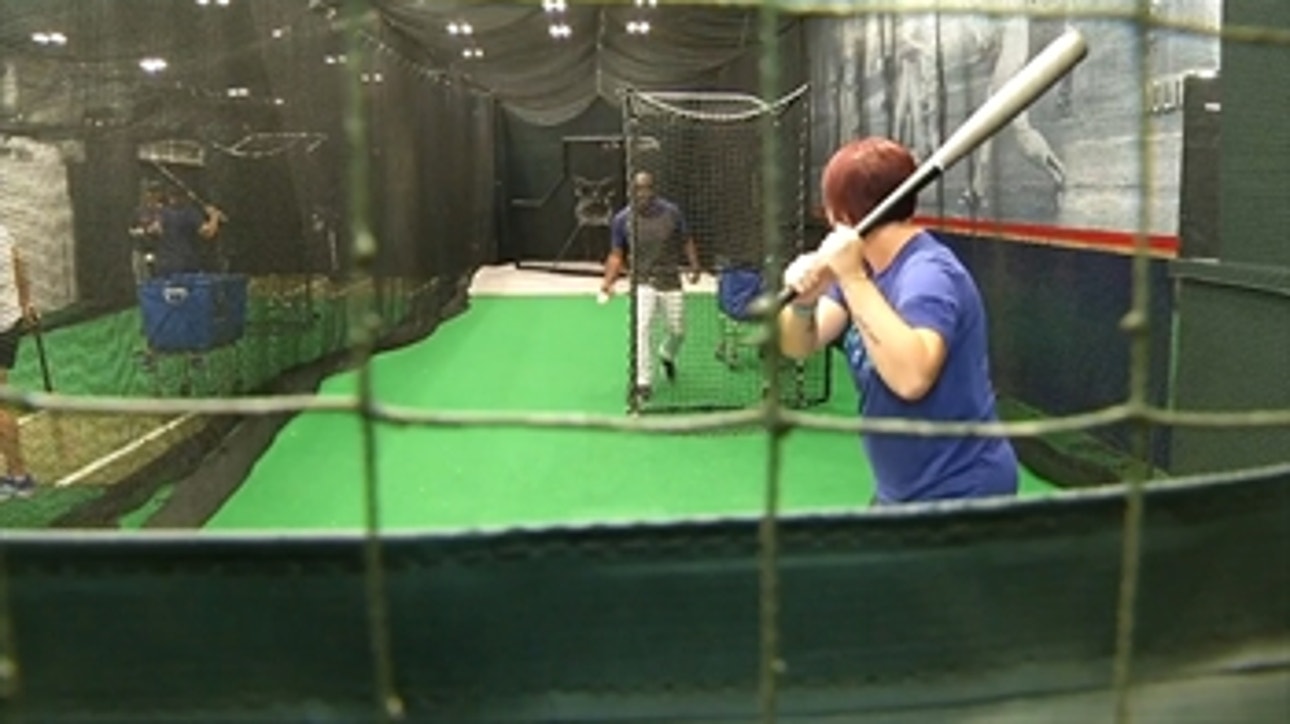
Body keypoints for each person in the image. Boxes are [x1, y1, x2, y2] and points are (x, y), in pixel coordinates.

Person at [778, 137, 1018, 505]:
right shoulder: (866, 269)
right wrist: (804, 304)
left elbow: (912, 378)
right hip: (902, 491)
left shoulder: (927, 274)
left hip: (962, 494)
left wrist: (852, 277)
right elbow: (797, 346)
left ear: (837, 214)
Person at [599, 171, 701, 405]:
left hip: (670, 280)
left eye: (647, 188)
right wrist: (607, 282)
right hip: (642, 282)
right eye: (638, 189)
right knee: (641, 329)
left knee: (678, 330)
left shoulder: (671, 212)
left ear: (654, 190)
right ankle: (643, 382)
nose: (643, 193)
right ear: (631, 191)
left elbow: (686, 239)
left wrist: (695, 265)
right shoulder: (622, 219)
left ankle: (667, 354)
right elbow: (616, 255)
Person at [0, 221, 38, 499]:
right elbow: (18, 265)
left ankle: (19, 475)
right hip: (9, 322)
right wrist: (25, 303)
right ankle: (16, 475)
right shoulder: (1, 229)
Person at [152, 187, 224, 278]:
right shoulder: (190, 213)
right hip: (186, 264)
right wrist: (214, 217)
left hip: (165, 263)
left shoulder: (162, 213)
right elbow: (208, 233)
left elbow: (155, 230)